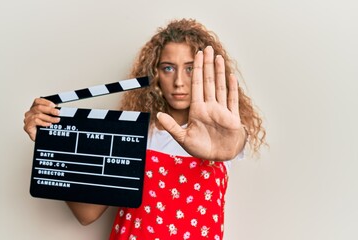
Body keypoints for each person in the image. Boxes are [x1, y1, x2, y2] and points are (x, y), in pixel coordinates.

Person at [24, 19, 266, 240]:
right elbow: (87, 214)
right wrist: (51, 143)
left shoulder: (222, 131)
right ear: (155, 74)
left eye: (190, 68)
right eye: (168, 68)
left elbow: (234, 142)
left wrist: (232, 142)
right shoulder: (133, 134)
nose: (179, 81)